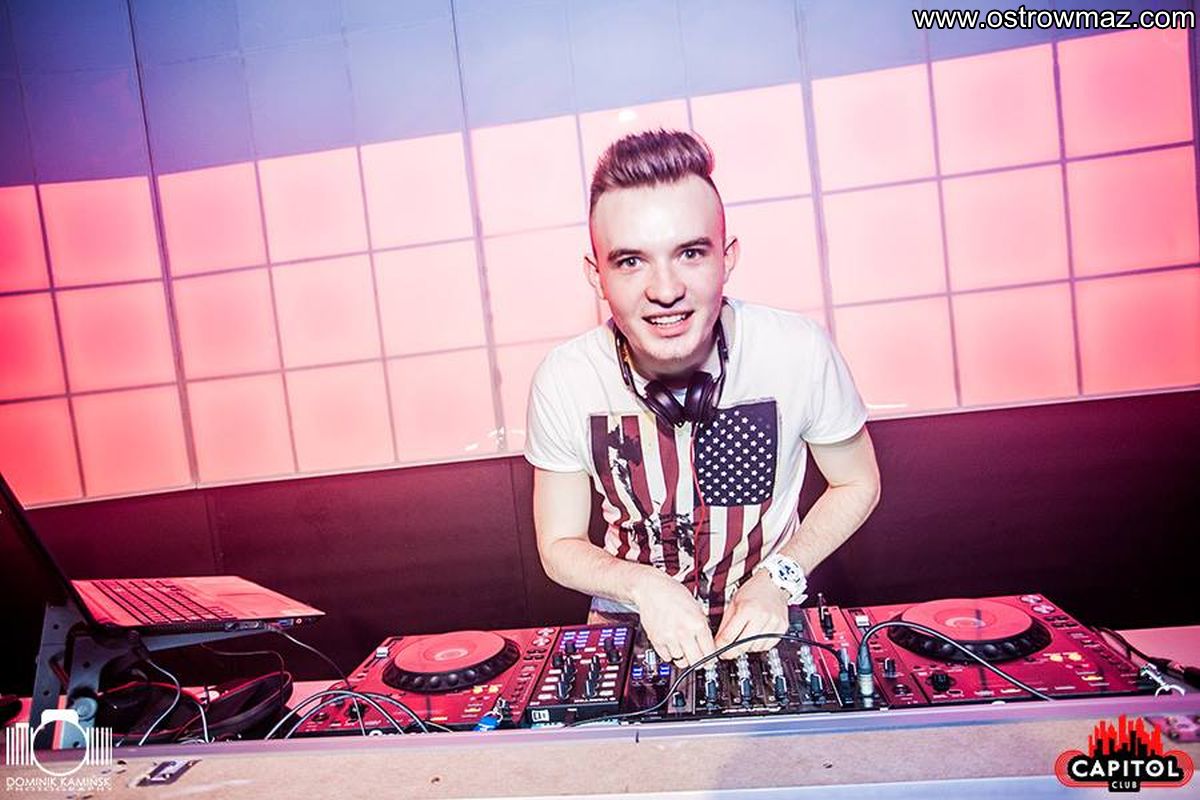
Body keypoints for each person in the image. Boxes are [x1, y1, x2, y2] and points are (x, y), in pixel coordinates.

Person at [524, 130, 880, 668]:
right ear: (596, 276)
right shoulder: (565, 378)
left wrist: (778, 578)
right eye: (630, 261)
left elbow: (858, 482)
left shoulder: (797, 350)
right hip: (628, 625)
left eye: (690, 253)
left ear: (726, 257)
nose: (665, 290)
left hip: (769, 617)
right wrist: (643, 587)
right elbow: (558, 544)